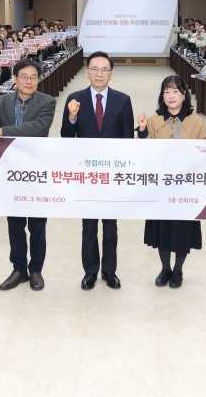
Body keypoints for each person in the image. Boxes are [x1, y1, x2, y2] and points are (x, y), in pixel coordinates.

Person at [136, 75, 206, 288]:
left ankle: (178, 270)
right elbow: (143, 151)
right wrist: (143, 130)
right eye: (166, 92)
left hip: (186, 187)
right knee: (162, 229)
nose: (171, 96)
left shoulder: (195, 120)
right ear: (162, 96)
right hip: (161, 186)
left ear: (184, 95)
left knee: (183, 230)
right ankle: (165, 268)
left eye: (175, 91)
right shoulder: (153, 120)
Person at [0, 59, 57, 291]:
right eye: (24, 77)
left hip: (36, 171)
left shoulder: (47, 101)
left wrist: (4, 130)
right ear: (14, 78)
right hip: (10, 171)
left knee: (37, 225)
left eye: (33, 77)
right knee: (15, 223)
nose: (29, 81)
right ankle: (19, 269)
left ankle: (36, 270)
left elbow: (38, 128)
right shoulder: (2, 101)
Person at [61, 51, 134, 290]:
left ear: (111, 74)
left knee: (110, 227)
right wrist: (71, 117)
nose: (99, 73)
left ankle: (109, 271)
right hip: (87, 175)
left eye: (104, 70)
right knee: (89, 226)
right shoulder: (75, 99)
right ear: (87, 72)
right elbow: (65, 137)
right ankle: (90, 272)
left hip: (112, 175)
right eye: (95, 69)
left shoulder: (123, 100)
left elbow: (128, 140)